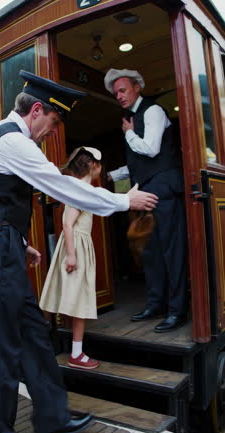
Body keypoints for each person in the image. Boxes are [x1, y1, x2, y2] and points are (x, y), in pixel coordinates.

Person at [0, 70, 158, 433]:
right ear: (37, 111)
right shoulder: (14, 141)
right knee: (1, 346)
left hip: (2, 244)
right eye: (52, 123)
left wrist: (21, 242)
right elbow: (59, 185)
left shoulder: (3, 136)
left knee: (33, 333)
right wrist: (124, 202)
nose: (51, 134)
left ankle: (52, 416)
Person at [104, 68, 188, 333]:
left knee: (171, 253)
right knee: (151, 254)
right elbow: (136, 164)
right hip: (146, 192)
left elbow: (151, 149)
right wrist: (109, 175)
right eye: (115, 92)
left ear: (137, 87)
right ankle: (156, 304)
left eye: (123, 90)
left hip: (163, 189)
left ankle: (177, 311)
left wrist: (129, 133)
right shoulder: (132, 120)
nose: (118, 95)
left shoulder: (152, 111)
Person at [40, 147, 102, 370]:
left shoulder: (80, 188)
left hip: (79, 244)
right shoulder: (81, 189)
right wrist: (72, 254)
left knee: (77, 298)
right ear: (92, 165)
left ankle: (76, 351)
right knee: (79, 298)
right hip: (76, 245)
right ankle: (76, 354)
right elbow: (68, 223)